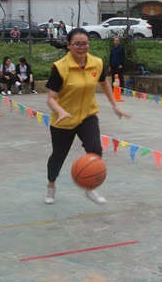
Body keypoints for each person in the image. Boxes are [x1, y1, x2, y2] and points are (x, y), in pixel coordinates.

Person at [44, 28, 131, 205]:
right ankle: (51, 186)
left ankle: (90, 187)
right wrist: (60, 111)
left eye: (85, 43)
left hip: (87, 116)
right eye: (77, 44)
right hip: (64, 120)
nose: (81, 47)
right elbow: (51, 99)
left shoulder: (96, 63)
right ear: (68, 45)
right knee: (58, 157)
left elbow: (104, 83)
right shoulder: (61, 68)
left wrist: (115, 105)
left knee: (95, 150)